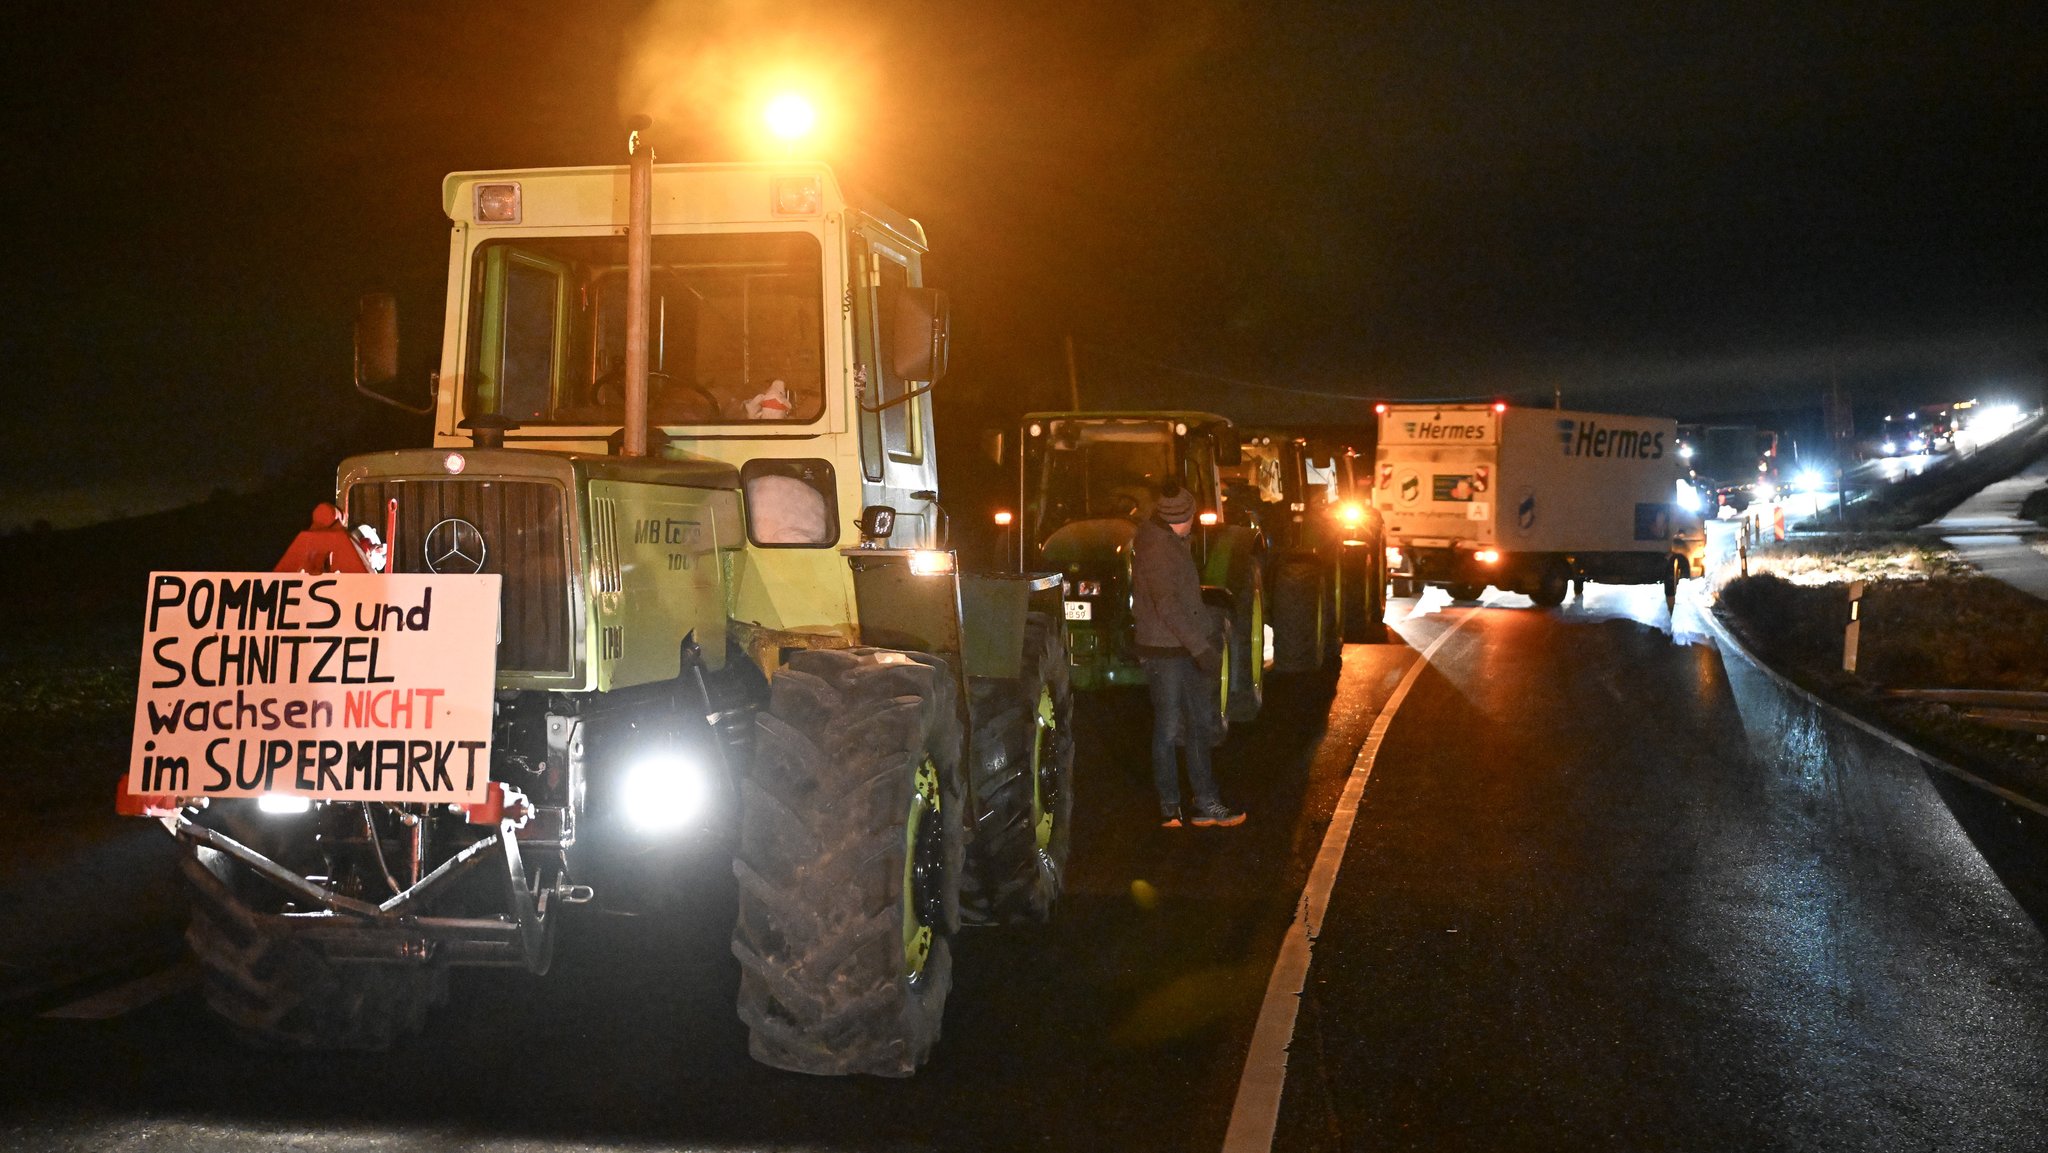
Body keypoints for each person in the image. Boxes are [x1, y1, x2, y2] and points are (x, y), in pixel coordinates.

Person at [1131, 482, 1247, 829]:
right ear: (1177, 518)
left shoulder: (1172, 542)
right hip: (1166, 652)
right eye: (1189, 518)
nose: (1192, 523)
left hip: (1181, 647)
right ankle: (1171, 808)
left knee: (1197, 724)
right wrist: (1202, 648)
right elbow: (1167, 605)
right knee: (1169, 729)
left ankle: (1204, 803)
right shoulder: (1158, 548)